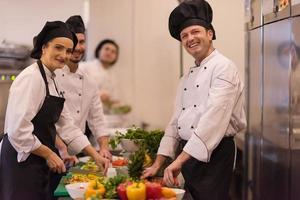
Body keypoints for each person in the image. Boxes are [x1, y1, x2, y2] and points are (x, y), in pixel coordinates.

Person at [142, 1, 247, 199]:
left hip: (215, 156)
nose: (190, 38)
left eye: (195, 32)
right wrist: (158, 163)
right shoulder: (186, 77)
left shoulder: (224, 68)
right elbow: (175, 122)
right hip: (189, 155)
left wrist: (179, 161)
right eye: (184, 36)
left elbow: (212, 122)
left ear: (210, 33)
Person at [0, 21, 109, 200]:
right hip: (21, 158)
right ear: (44, 47)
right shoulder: (31, 78)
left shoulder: (52, 79)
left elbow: (67, 124)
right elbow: (17, 130)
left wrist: (95, 155)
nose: (63, 55)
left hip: (36, 157)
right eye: (58, 48)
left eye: (67, 50)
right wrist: (49, 153)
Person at [55, 15, 112, 162]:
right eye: (73, 42)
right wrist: (62, 148)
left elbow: (97, 119)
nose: (78, 47)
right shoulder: (52, 77)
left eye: (81, 42)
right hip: (50, 151)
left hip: (76, 152)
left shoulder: (89, 82)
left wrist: (104, 147)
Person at [80, 39, 120, 111]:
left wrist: (114, 103)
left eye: (113, 52)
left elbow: (113, 98)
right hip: (83, 112)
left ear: (115, 57)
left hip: (103, 114)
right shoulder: (84, 67)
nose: (109, 53)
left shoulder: (113, 75)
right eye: (106, 49)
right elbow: (74, 89)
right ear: (99, 51)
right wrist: (97, 95)